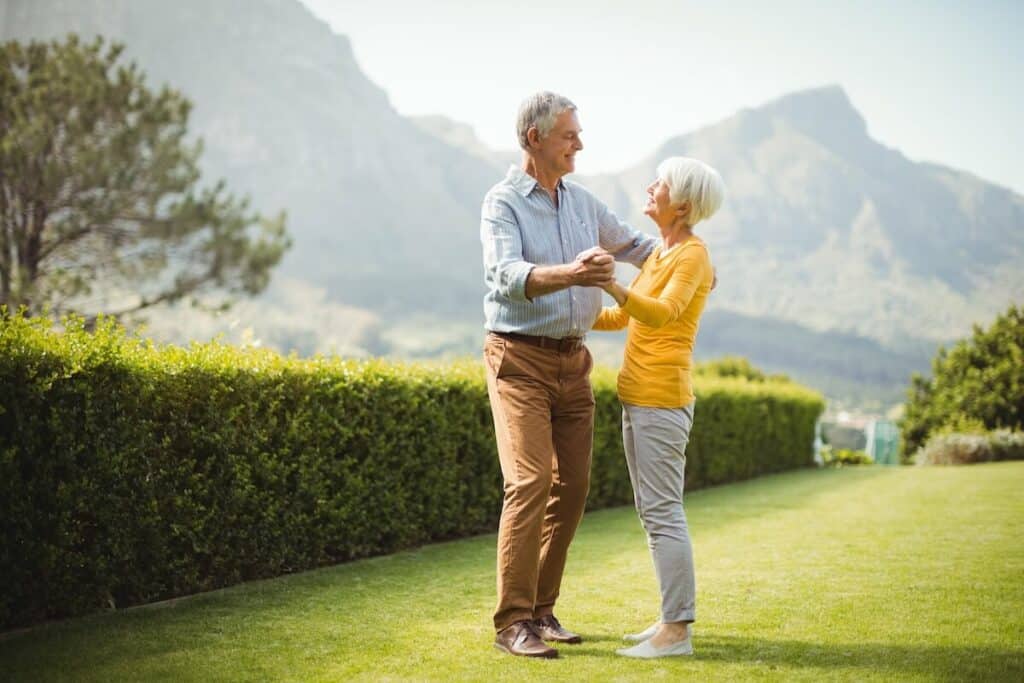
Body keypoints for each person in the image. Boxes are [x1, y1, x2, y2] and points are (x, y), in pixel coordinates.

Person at [481, 91, 657, 658]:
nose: (579, 142)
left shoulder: (584, 202)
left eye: (578, 133)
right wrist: (575, 273)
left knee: (574, 486)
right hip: (519, 361)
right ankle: (513, 622)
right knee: (530, 481)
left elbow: (636, 245)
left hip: (573, 363)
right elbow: (508, 276)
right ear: (534, 138)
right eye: (568, 134)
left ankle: (542, 610)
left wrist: (690, 261)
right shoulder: (501, 202)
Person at [592, 156, 725, 658]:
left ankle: (677, 633)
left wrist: (611, 283)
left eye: (661, 185)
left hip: (661, 400)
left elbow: (664, 315)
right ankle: (669, 620)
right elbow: (626, 318)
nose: (651, 187)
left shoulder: (692, 256)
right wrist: (566, 314)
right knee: (653, 513)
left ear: (683, 204)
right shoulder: (660, 255)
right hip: (637, 398)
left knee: (665, 512)